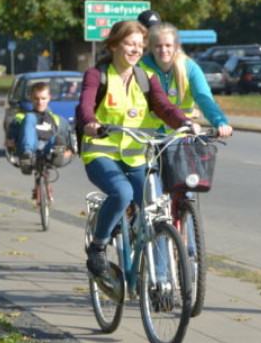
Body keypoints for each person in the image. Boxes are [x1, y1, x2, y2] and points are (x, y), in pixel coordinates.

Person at [77, 19, 197, 277]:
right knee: (121, 193)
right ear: (113, 45)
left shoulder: (146, 78)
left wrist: (185, 122)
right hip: (101, 152)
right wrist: (90, 123)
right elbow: (85, 105)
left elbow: (164, 106)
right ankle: (98, 246)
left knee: (151, 211)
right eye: (129, 44)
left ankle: (155, 282)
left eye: (140, 46)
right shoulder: (97, 75)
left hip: (136, 157)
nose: (135, 50)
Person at [139, 21, 233, 139]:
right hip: (147, 138)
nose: (163, 50)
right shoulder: (140, 68)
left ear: (177, 46)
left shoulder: (189, 68)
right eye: (158, 46)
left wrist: (221, 123)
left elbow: (204, 98)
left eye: (168, 45)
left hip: (181, 137)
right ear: (151, 47)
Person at [5, 81, 75, 174]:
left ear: (49, 98)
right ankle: (27, 159)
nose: (40, 102)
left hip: (48, 149)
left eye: (43, 98)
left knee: (58, 138)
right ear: (31, 99)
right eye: (36, 99)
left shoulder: (58, 119)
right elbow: (10, 140)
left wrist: (69, 151)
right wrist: (10, 142)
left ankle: (57, 153)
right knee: (29, 117)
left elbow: (70, 145)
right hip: (29, 148)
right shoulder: (20, 118)